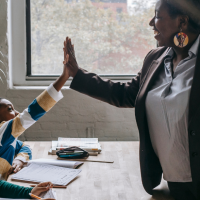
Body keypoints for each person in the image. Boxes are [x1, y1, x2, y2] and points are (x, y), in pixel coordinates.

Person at [63, 0, 200, 199]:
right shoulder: (155, 59)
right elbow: (126, 93)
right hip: (173, 184)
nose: (151, 23)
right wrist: (77, 74)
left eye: (158, 16)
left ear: (182, 22)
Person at [0, 45, 69, 194]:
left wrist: (19, 159)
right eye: (9, 109)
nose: (16, 112)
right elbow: (31, 113)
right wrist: (63, 78)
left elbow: (25, 147)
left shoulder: (7, 139)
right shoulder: (3, 130)